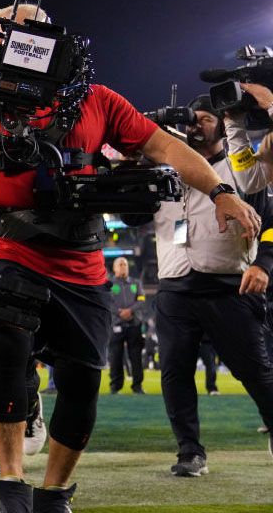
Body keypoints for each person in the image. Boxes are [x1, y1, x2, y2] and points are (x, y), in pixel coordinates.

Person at [0, 2, 262, 511]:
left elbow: (165, 150)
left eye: (19, 31)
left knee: (84, 377)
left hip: (80, 253)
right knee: (5, 342)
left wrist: (221, 190)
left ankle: (55, 491)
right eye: (2, 33)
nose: (6, 42)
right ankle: (12, 482)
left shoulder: (99, 100)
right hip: (7, 242)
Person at [149, 94, 273, 476]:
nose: (196, 124)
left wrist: (265, 265)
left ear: (222, 124)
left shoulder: (242, 167)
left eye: (205, 118)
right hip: (173, 286)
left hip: (228, 285)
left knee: (257, 373)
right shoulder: (163, 166)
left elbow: (271, 220)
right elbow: (131, 215)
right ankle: (190, 452)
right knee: (174, 373)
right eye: (192, 118)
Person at [108, 257, 146, 394]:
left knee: (136, 357)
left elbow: (141, 299)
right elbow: (107, 301)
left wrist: (130, 311)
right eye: (120, 264)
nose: (123, 266)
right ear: (114, 268)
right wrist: (119, 312)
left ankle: (137, 386)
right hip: (116, 324)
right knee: (115, 357)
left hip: (134, 324)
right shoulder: (109, 284)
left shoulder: (136, 283)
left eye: (125, 264)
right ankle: (115, 386)